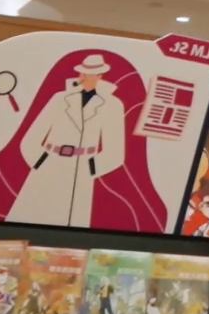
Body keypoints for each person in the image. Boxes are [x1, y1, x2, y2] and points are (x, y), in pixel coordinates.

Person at [10, 57, 132, 227]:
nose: (82, 76)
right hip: (49, 162)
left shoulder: (112, 105)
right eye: (82, 72)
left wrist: (89, 168)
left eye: (88, 73)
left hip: (81, 169)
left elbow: (115, 151)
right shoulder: (60, 98)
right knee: (28, 216)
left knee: (69, 223)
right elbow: (33, 136)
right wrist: (41, 161)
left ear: (99, 75)